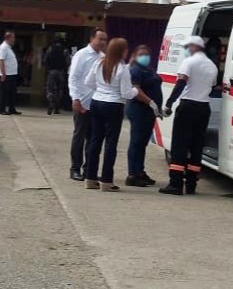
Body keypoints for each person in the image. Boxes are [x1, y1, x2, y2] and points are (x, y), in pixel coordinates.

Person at [83, 38, 157, 192]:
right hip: (114, 105)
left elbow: (88, 82)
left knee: (95, 141)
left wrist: (102, 89)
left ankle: (90, 178)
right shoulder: (122, 69)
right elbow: (126, 93)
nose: (127, 51)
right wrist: (136, 91)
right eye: (125, 49)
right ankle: (106, 180)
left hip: (97, 102)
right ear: (120, 51)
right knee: (110, 144)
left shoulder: (99, 63)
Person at [160, 36, 218, 196]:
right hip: (204, 107)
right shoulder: (212, 66)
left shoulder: (189, 62)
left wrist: (169, 103)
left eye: (187, 47)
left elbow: (181, 83)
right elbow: (211, 87)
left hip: (188, 106)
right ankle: (191, 184)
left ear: (194, 46)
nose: (187, 49)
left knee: (179, 145)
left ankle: (175, 184)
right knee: (197, 146)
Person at [67, 28, 107, 181]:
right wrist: (75, 98)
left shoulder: (103, 57)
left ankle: (88, 169)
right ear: (92, 39)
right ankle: (75, 168)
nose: (103, 42)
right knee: (79, 136)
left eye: (105, 39)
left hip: (97, 103)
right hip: (82, 102)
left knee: (93, 138)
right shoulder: (81, 55)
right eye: (100, 39)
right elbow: (73, 78)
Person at [125, 45, 163, 187]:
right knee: (136, 142)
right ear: (135, 55)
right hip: (139, 109)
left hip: (148, 111)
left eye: (147, 54)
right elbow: (136, 89)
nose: (145, 57)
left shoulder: (148, 68)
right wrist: (151, 102)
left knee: (142, 143)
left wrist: (157, 107)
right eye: (142, 54)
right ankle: (132, 174)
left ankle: (140, 171)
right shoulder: (135, 69)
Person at [0, 31, 21, 116]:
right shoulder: (3, 47)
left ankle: (11, 108)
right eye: (13, 38)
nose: (14, 40)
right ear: (8, 38)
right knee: (4, 92)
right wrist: (3, 73)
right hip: (6, 74)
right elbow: (1, 60)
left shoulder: (8, 48)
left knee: (12, 92)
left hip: (12, 74)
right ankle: (2, 109)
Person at [43, 38, 69, 115]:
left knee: (49, 88)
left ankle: (50, 99)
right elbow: (68, 61)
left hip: (52, 72)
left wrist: (48, 68)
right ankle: (57, 107)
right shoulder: (65, 50)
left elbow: (45, 60)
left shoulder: (50, 49)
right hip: (61, 72)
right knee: (60, 89)